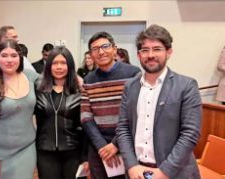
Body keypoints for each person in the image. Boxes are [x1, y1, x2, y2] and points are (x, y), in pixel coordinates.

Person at [116, 24, 202, 179]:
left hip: (174, 173)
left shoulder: (186, 86)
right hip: (137, 172)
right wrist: (131, 165)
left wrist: (164, 172)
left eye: (157, 49)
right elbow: (123, 128)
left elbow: (190, 134)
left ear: (169, 52)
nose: (150, 55)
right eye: (145, 50)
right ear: (138, 54)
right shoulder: (130, 87)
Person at [81, 31, 140, 179]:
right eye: (95, 49)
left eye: (105, 46)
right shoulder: (88, 79)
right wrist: (102, 145)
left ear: (114, 49)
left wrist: (115, 144)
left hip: (128, 143)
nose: (101, 52)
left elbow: (137, 113)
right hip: (98, 147)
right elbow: (86, 117)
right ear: (91, 54)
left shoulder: (133, 74)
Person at [0, 39, 39, 179]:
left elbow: (56, 78)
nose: (9, 60)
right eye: (4, 55)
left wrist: (78, 79)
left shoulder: (31, 76)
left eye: (14, 55)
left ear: (20, 58)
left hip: (26, 149)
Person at [35, 46, 83, 179]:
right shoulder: (38, 88)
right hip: (45, 151)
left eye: (63, 63)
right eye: (55, 63)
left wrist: (85, 156)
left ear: (70, 66)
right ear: (49, 65)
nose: (59, 67)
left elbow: (85, 125)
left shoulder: (79, 90)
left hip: (73, 151)